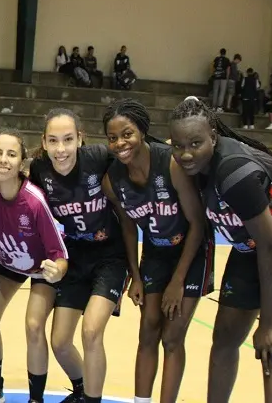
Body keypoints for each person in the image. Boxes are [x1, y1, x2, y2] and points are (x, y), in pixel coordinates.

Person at [168, 97, 272, 403]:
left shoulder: (234, 172)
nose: (186, 153)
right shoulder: (191, 166)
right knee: (224, 339)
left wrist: (267, 325)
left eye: (195, 143)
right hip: (251, 245)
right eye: (178, 145)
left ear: (214, 136)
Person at [101, 99, 214, 403]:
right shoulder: (113, 180)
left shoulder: (171, 164)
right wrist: (134, 276)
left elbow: (197, 224)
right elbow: (127, 228)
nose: (120, 143)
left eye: (127, 134)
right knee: (148, 330)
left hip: (190, 251)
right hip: (154, 252)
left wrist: (178, 281)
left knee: (172, 337)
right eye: (113, 138)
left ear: (142, 132)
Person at [24, 108, 129, 403]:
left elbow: (134, 155)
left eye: (68, 139)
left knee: (92, 330)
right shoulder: (40, 170)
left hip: (110, 256)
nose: (61, 149)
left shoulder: (98, 157)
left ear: (80, 139)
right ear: (44, 142)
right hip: (74, 258)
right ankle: (83, 390)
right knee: (59, 342)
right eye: (54, 141)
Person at [0, 129, 69, 403]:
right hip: (8, 264)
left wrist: (57, 271)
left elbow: (59, 255)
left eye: (11, 154)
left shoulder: (34, 201)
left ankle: (36, 398)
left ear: (22, 163)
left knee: (33, 325)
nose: (3, 160)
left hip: (40, 267)